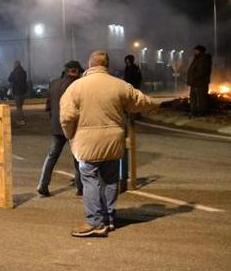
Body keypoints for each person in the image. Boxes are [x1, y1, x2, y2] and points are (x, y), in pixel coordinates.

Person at [60, 51, 156, 237]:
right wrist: (157, 105)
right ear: (106, 65)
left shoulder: (76, 87)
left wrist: (70, 135)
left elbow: (67, 117)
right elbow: (140, 101)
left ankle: (95, 222)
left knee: (90, 179)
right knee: (111, 179)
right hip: (114, 141)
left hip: (87, 143)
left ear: (89, 65)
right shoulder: (119, 85)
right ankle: (109, 218)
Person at [37, 61, 84, 197]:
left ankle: (43, 184)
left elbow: (48, 107)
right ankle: (80, 187)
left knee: (52, 156)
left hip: (57, 126)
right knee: (78, 156)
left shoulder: (53, 83)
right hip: (72, 125)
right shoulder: (76, 85)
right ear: (74, 71)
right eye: (79, 72)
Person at [187, 45, 212, 116]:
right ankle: (194, 112)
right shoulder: (197, 59)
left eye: (196, 50)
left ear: (200, 51)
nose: (194, 52)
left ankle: (202, 112)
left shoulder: (204, 59)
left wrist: (193, 78)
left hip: (201, 84)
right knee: (193, 99)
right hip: (194, 83)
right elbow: (192, 71)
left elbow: (202, 72)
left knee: (201, 99)